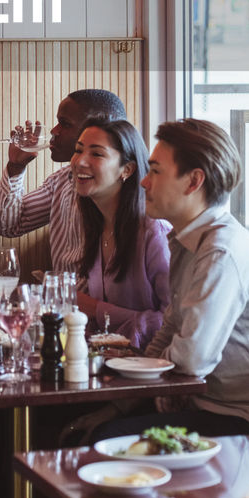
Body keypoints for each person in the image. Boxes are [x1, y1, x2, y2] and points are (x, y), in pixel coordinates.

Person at [95, 117, 249, 441]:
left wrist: (145, 387)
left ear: (193, 182)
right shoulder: (186, 240)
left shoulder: (221, 251)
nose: (144, 183)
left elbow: (192, 359)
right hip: (205, 406)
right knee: (90, 421)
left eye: (156, 171)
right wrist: (125, 402)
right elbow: (169, 331)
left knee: (106, 439)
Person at [0, 88, 126, 276]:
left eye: (64, 123)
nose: (54, 131)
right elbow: (7, 226)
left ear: (101, 128)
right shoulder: (63, 180)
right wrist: (16, 167)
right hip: (64, 302)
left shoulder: (132, 194)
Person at [72, 117, 170, 347]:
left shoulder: (154, 234)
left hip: (152, 369)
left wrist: (97, 310)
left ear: (126, 169)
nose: (80, 162)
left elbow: (174, 322)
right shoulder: (96, 226)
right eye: (78, 150)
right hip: (109, 365)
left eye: (96, 154)